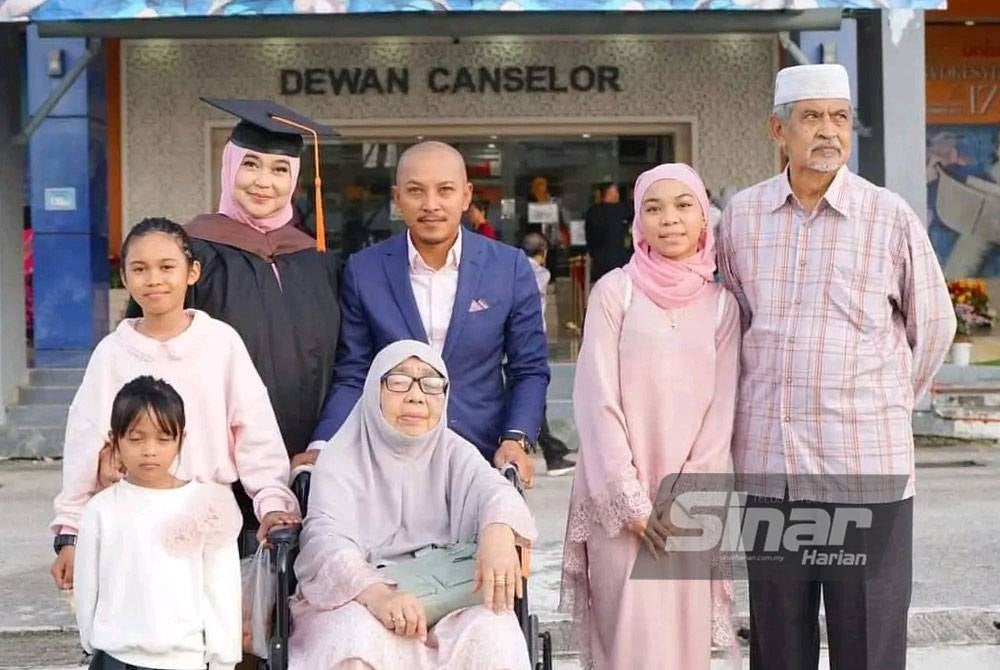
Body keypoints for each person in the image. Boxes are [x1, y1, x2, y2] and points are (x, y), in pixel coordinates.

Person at [716, 64, 956, 670]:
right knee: (778, 645)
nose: (829, 131)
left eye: (840, 117)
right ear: (779, 129)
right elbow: (732, 324)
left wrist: (885, 403)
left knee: (868, 644)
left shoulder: (888, 216)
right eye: (812, 117)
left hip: (866, 468)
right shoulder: (742, 217)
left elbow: (935, 325)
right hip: (773, 469)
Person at [51, 218, 300, 591]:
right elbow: (84, 441)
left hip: (207, 517)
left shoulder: (220, 342)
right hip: (129, 514)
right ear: (125, 277)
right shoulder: (112, 353)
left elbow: (254, 430)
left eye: (167, 267)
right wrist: (70, 532)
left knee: (209, 616)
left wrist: (272, 502)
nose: (154, 280)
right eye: (140, 269)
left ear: (192, 272)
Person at [561, 163, 739, 670]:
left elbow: (721, 412)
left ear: (704, 218)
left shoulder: (722, 306)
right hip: (619, 499)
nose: (670, 219)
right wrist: (631, 500)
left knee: (684, 638)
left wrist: (684, 498)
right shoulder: (615, 292)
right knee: (630, 636)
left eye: (684, 206)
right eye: (653, 208)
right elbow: (596, 400)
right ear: (638, 221)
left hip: (688, 505)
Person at [310, 141, 549, 486]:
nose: (431, 204)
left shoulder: (508, 268)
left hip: (482, 458)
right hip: (388, 461)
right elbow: (353, 373)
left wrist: (516, 438)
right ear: (397, 198)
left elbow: (529, 368)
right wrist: (322, 445)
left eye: (445, 190)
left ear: (466, 196)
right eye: (415, 191)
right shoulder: (364, 270)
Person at [289, 340, 537, 669]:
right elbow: (325, 540)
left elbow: (496, 492)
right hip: (361, 597)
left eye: (431, 384)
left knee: (495, 634)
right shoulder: (340, 459)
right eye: (399, 381)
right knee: (350, 637)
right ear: (374, 390)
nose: (416, 396)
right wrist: (379, 595)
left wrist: (498, 531)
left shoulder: (454, 452)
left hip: (450, 596)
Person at [171, 98, 341, 469]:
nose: (264, 182)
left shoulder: (317, 261)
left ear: (294, 180)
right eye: (250, 164)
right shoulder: (188, 254)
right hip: (215, 457)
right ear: (229, 167)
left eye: (280, 169)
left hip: (308, 456)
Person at [74, 376, 242, 670]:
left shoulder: (206, 506)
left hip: (183, 660)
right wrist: (94, 642)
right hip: (115, 658)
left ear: (181, 440)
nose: (150, 450)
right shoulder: (101, 509)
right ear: (115, 440)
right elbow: (87, 586)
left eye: (163, 439)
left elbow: (221, 589)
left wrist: (223, 659)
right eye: (136, 438)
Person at [520, 232, 575, 477]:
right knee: (533, 396)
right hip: (531, 342)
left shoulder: (511, 272)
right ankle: (553, 452)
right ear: (543, 253)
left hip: (514, 341)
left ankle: (554, 450)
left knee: (531, 397)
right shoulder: (540, 274)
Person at [583, 182, 632, 284]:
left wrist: (593, 253)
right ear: (609, 193)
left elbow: (589, 236)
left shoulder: (592, 212)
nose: (618, 195)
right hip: (619, 260)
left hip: (599, 261)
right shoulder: (621, 210)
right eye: (616, 192)